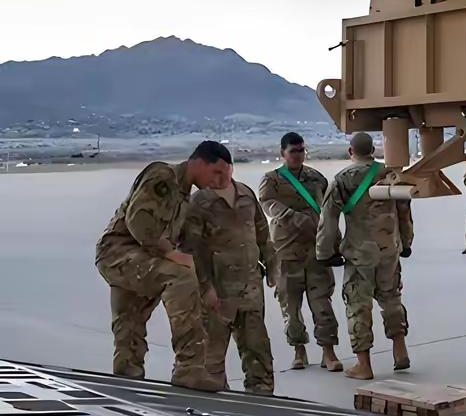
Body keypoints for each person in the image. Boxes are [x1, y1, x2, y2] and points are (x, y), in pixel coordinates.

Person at [94, 141, 230, 391]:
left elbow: (188, 247)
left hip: (138, 258)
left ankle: (127, 381)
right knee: (179, 278)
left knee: (130, 323)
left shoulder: (184, 197)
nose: (219, 181)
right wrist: (169, 252)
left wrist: (206, 287)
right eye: (217, 173)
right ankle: (188, 368)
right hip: (118, 252)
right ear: (198, 162)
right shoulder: (163, 176)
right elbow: (138, 221)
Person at [317, 132, 413, 380]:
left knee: (358, 306)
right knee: (391, 298)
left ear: (351, 152)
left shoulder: (342, 179)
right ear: (373, 149)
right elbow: (404, 210)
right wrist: (406, 243)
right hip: (389, 250)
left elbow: (328, 219)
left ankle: (364, 364)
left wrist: (325, 252)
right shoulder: (389, 174)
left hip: (360, 254)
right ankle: (399, 350)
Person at [184, 160, 276, 394]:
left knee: (257, 350)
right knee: (211, 356)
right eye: (215, 171)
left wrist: (272, 265)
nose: (221, 177)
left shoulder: (245, 193)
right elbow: (191, 249)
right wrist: (205, 288)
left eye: (225, 170)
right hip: (218, 291)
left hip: (250, 288)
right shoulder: (199, 202)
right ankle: (215, 404)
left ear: (231, 168)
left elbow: (262, 233)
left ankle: (262, 398)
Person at [259, 133, 341, 372]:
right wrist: (294, 218)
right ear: (282, 153)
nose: (298, 155)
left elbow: (330, 212)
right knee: (291, 308)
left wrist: (334, 243)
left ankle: (329, 352)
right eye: (293, 151)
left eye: (301, 150)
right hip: (286, 253)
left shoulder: (316, 178)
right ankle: (299, 351)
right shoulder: (272, 180)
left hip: (316, 253)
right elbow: (268, 204)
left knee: (322, 305)